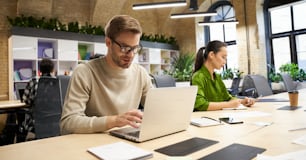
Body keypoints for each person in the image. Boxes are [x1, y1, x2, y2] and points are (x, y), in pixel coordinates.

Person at [60, 15, 152, 134]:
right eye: (124, 47)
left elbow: (156, 110)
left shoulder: (141, 73)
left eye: (135, 48)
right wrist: (114, 121)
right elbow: (68, 123)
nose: (131, 54)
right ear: (108, 42)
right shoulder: (85, 72)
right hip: (93, 144)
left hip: (126, 141)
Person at [191, 40, 255, 111]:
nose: (225, 62)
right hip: (205, 119)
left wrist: (242, 102)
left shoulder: (217, 77)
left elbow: (227, 98)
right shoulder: (198, 76)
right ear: (211, 55)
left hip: (218, 116)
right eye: (223, 57)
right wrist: (228, 105)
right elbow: (200, 104)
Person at [20, 58, 55, 141]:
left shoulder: (34, 81)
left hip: (35, 120)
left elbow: (26, 100)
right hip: (53, 121)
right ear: (52, 69)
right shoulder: (56, 82)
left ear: (40, 69)